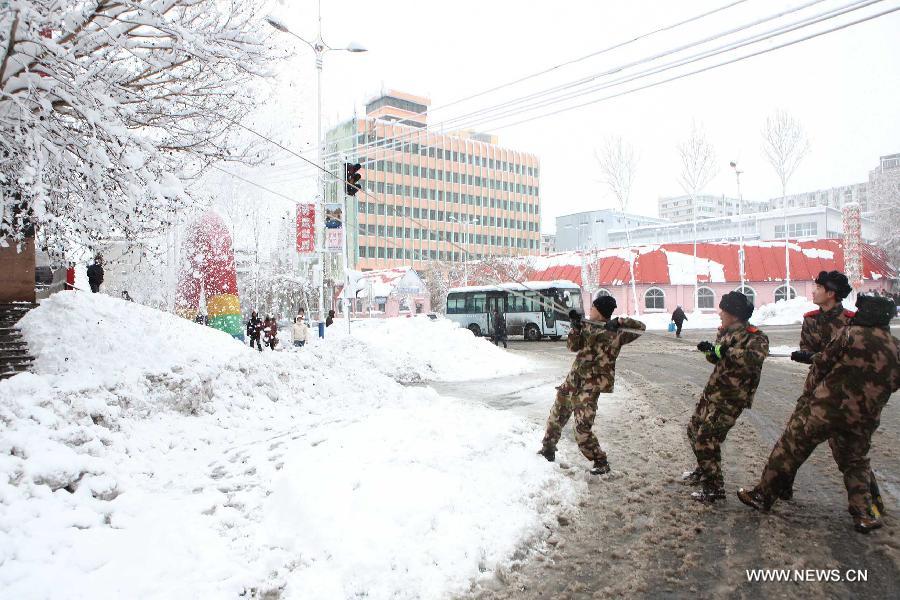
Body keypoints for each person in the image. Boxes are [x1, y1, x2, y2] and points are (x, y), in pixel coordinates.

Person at [738, 295, 900, 533]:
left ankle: (763, 495)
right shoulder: (896, 346)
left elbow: (823, 364)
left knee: (790, 447)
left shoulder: (849, 334)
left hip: (826, 409)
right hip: (864, 417)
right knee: (855, 461)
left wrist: (810, 383)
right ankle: (864, 514)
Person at [784, 271, 882, 506]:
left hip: (842, 396)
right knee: (792, 439)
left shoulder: (851, 321)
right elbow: (806, 349)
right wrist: (806, 355)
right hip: (814, 388)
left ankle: (872, 502)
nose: (813, 291)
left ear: (831, 293)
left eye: (818, 288)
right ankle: (779, 487)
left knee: (848, 453)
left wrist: (817, 356)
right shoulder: (810, 319)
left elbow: (855, 359)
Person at [538, 294, 646, 475]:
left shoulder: (618, 333)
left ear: (601, 311)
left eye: (594, 307)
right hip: (572, 382)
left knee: (581, 428)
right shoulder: (587, 326)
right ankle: (548, 450)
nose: (590, 310)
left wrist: (619, 322)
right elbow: (572, 347)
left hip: (590, 387)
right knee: (555, 418)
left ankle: (600, 461)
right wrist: (575, 326)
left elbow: (641, 328)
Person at [683, 291, 769, 503]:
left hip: (731, 398)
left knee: (707, 439)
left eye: (724, 310)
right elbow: (718, 360)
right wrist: (710, 351)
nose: (720, 313)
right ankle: (704, 470)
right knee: (693, 430)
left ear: (734, 314)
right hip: (713, 391)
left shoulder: (755, 336)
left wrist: (723, 351)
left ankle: (714, 487)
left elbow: (753, 359)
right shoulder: (724, 332)